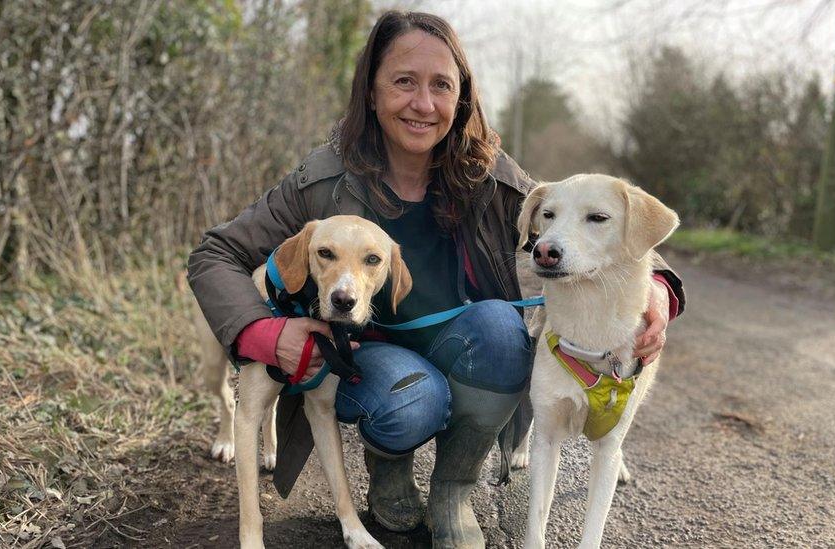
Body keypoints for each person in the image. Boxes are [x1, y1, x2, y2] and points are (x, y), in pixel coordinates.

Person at [188, 10, 684, 548]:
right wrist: (264, 333)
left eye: (441, 86)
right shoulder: (323, 180)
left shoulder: (488, 173)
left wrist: (659, 288)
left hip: (461, 342)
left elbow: (581, 226)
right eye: (404, 82)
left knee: (500, 329)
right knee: (410, 399)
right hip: (366, 355)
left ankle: (452, 490)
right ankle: (389, 470)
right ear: (371, 92)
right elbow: (215, 253)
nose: (423, 104)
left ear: (461, 98)